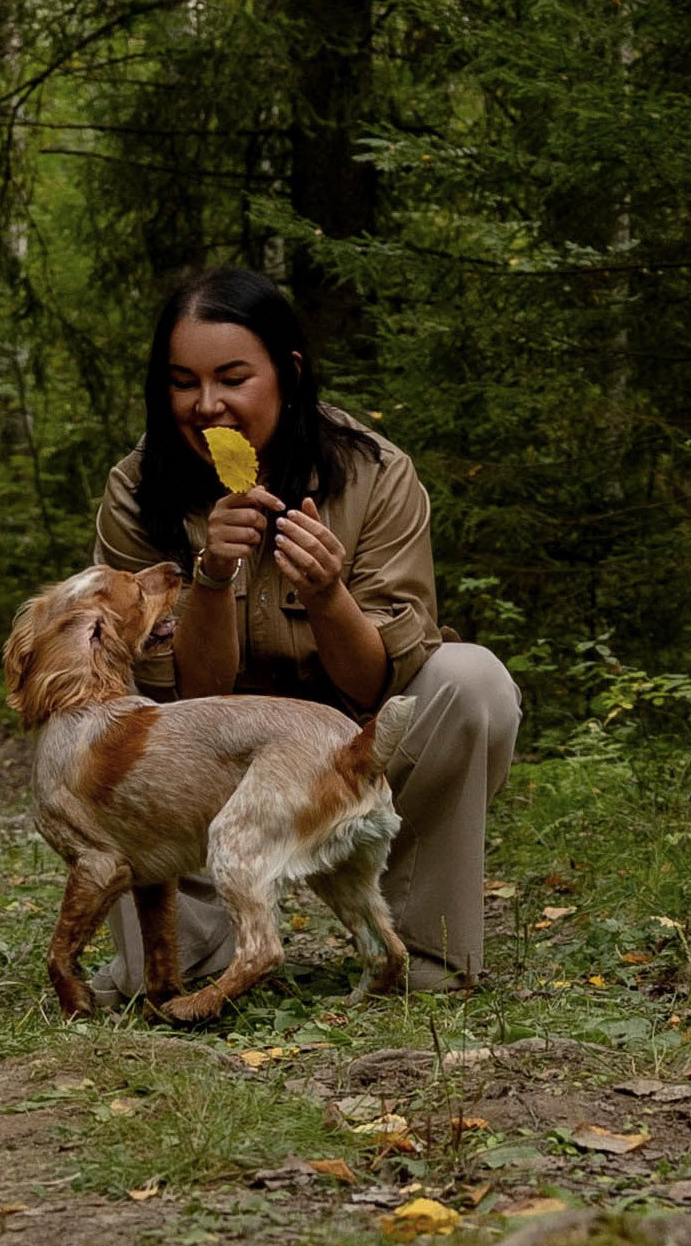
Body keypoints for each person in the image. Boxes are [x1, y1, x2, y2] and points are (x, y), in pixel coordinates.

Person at [88, 266, 521, 999]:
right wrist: (212, 577)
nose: (207, 405)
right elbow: (184, 696)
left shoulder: (376, 474)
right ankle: (187, 949)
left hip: (348, 748)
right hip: (208, 765)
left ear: (287, 374)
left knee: (471, 680)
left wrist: (326, 595)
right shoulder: (137, 488)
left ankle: (423, 948)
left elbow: (377, 682)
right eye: (183, 383)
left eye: (232, 378)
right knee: (107, 706)